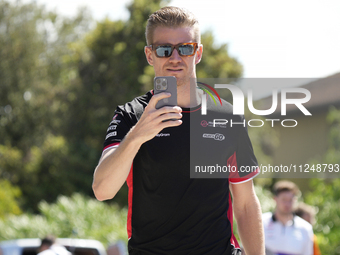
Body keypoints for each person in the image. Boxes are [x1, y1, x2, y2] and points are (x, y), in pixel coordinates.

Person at [93, 6, 264, 255]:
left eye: (185, 48)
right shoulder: (130, 116)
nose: (175, 58)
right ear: (150, 55)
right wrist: (139, 134)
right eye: (164, 50)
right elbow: (102, 190)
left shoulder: (227, 116)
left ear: (198, 53)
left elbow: (246, 204)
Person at [262, 181, 314, 255]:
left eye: (290, 200)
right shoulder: (261, 222)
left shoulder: (305, 228)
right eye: (284, 200)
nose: (287, 204)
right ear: (275, 199)